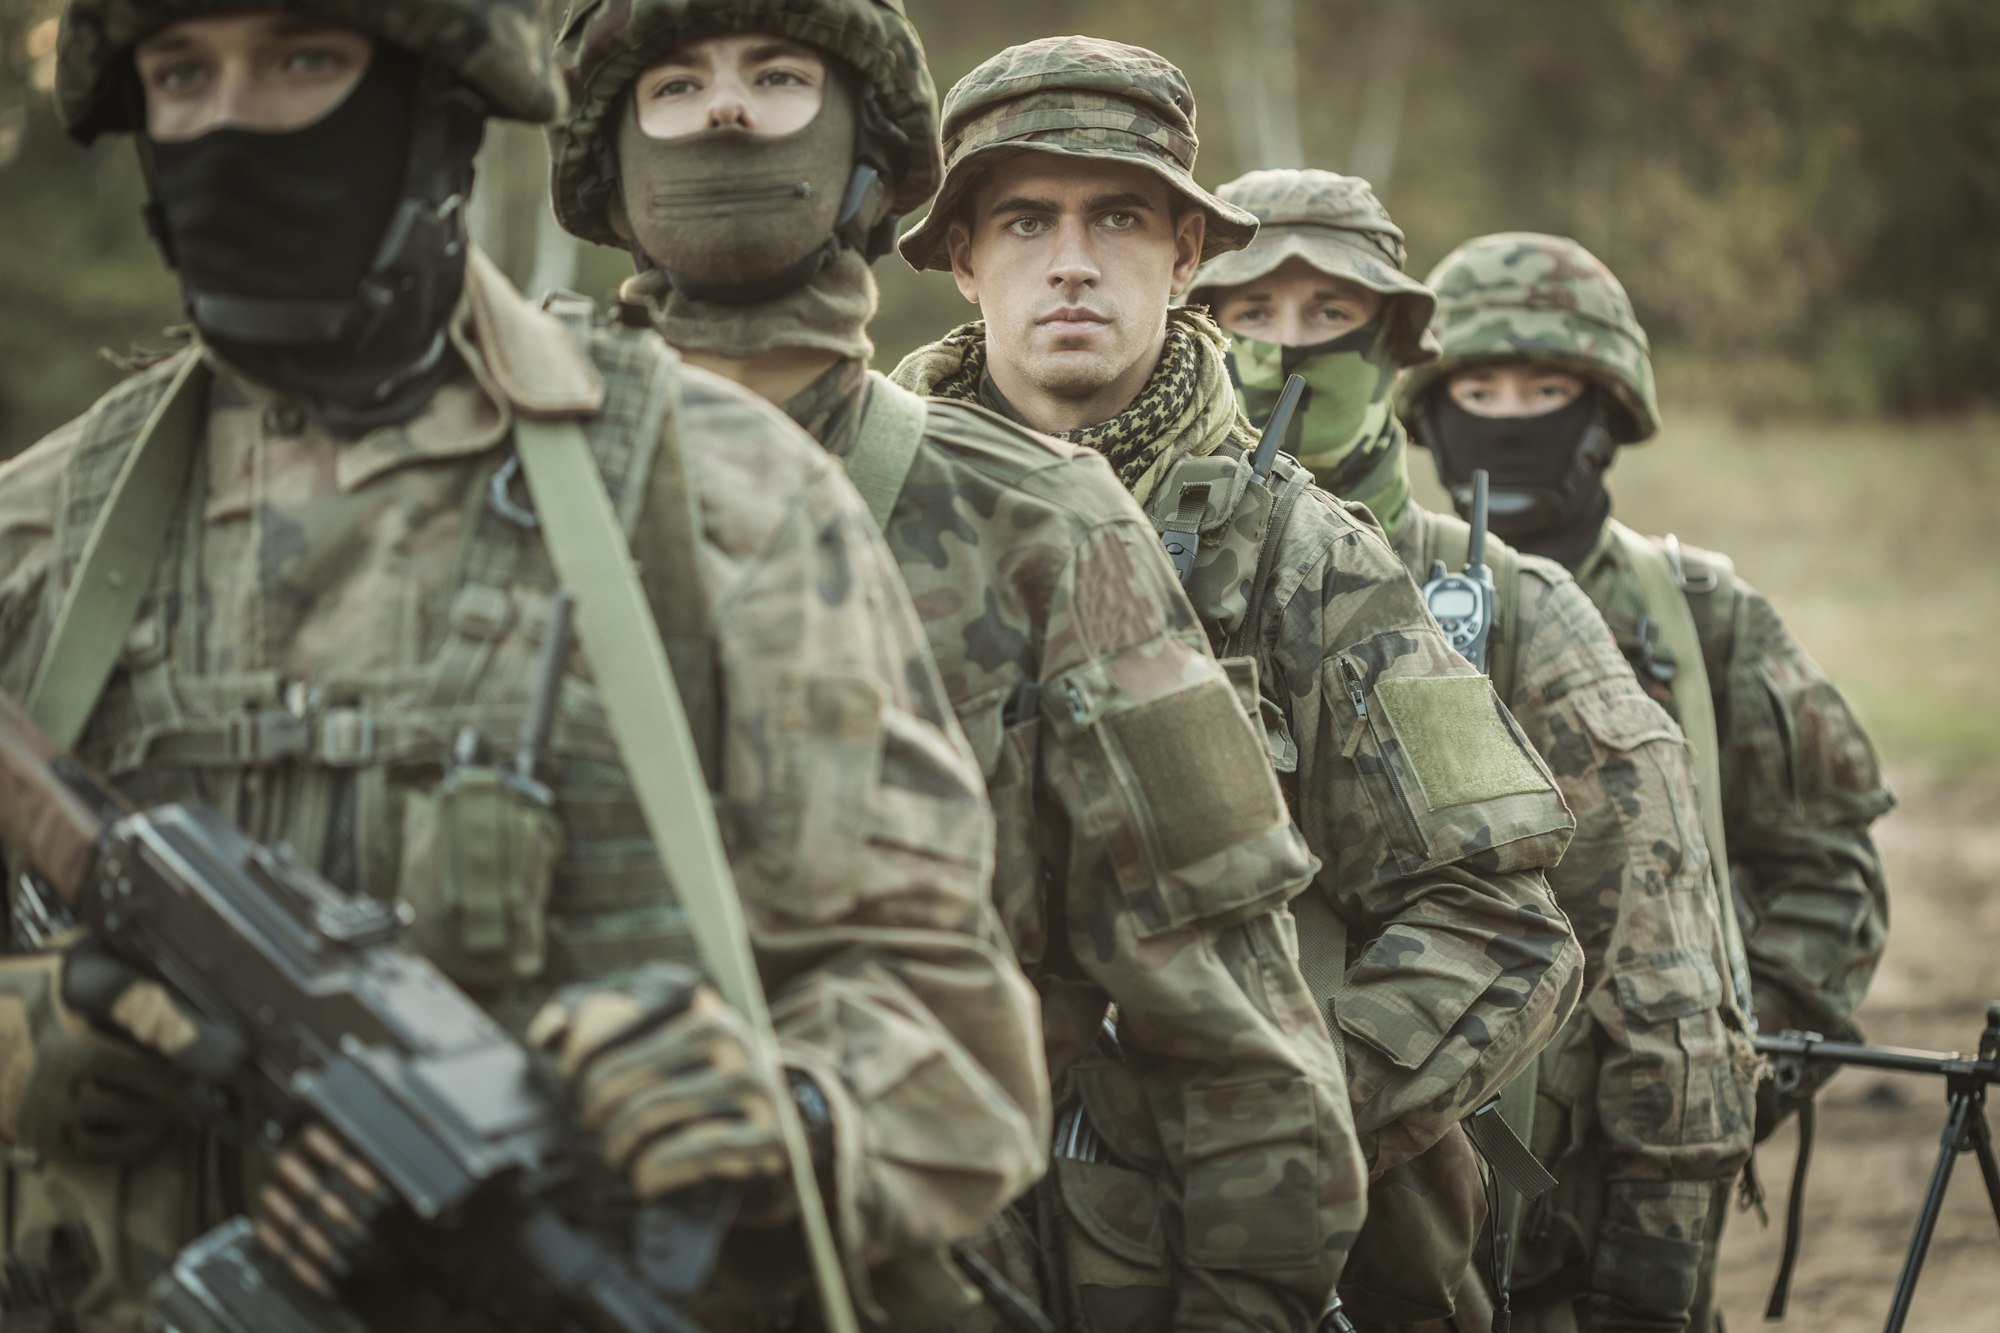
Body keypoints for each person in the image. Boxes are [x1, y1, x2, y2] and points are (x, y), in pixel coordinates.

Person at [0, 2, 1050, 1329]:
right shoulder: (39, 542)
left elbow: (951, 1028)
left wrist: (795, 1108)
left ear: (437, 112)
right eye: (180, 74)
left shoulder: (719, 497)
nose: (231, 121)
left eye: (304, 60)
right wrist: (30, 1032)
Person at [546, 7, 1362, 1330]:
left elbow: (1230, 1029)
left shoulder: (1042, 520)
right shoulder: (488, 489)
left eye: (777, 74)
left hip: (917, 1257)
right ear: (603, 163)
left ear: (868, 157)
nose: (732, 115)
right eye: (677, 87)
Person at [893, 36, 1586, 1330]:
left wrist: (1272, 1115)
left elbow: (1501, 921)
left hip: (1234, 1278)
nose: (1075, 261)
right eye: (1026, 220)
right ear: (959, 256)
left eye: (1120, 217)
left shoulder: (1299, 556)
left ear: (1187, 255)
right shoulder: (838, 522)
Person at [1191, 168, 1759, 1333]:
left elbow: (1660, 982)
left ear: (1396, 339)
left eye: (1327, 315)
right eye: (1246, 314)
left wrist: (1643, 1285)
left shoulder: (1513, 605)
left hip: (1476, 1249)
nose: (1283, 352)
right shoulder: (1109, 560)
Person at [1397, 231, 1895, 1331]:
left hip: (1631, 1204)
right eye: (1476, 387)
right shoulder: (1362, 592)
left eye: (1546, 388)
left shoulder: (1699, 618)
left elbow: (1829, 879)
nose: (1508, 415)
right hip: (1407, 1170)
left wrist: (1711, 1072)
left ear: (1607, 409)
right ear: (1427, 409)